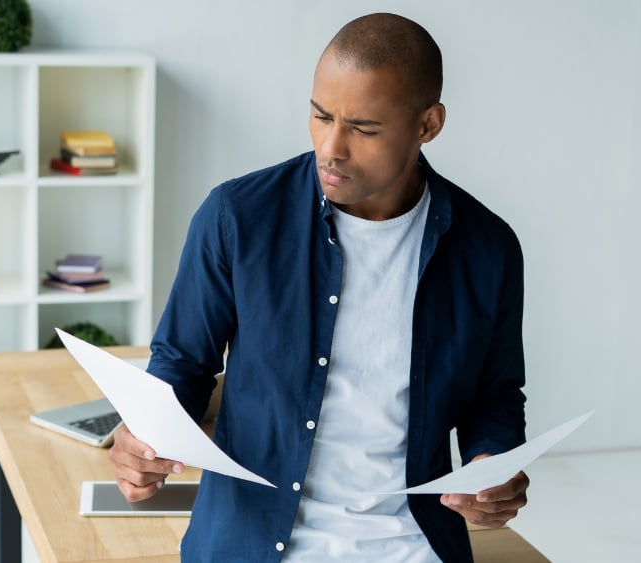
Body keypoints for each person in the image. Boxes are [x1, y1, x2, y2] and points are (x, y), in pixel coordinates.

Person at [110, 12, 529, 562]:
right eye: (320, 115)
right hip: (251, 544)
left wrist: (490, 465)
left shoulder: (488, 248)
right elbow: (182, 363)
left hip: (410, 545)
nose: (331, 148)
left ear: (428, 125)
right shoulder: (237, 217)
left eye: (363, 128)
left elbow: (495, 396)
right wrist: (141, 436)